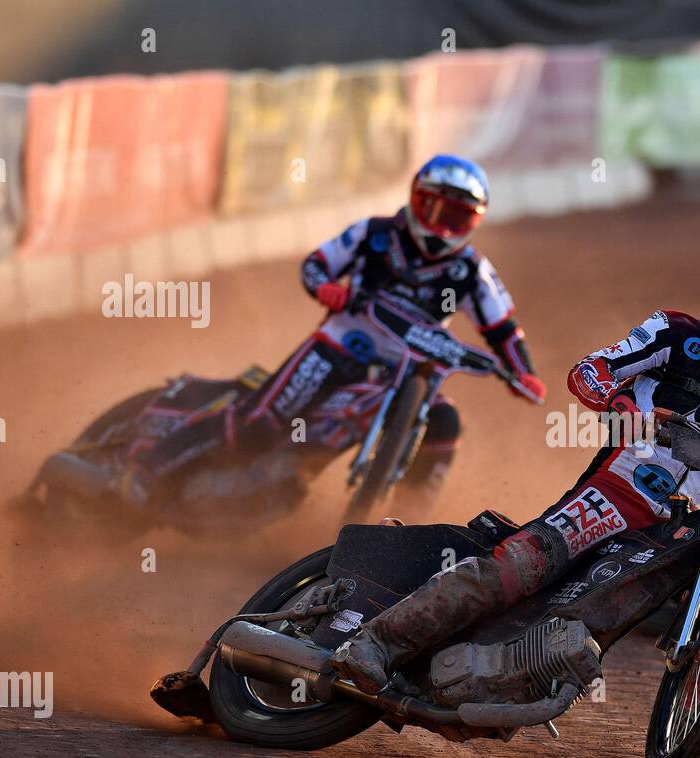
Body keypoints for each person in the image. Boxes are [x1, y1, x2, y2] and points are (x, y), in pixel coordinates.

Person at [333, 253, 700, 758]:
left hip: (692, 535)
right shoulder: (677, 334)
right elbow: (590, 371)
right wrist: (621, 405)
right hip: (621, 491)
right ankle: (376, 642)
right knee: (521, 567)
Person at [121, 154, 544, 505]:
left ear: (474, 221)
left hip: (406, 371)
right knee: (261, 421)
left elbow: (503, 328)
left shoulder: (471, 270)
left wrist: (522, 373)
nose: (439, 226)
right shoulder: (373, 234)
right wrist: (327, 290)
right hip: (339, 346)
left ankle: (409, 526)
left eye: (456, 217)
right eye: (432, 208)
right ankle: (149, 469)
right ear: (414, 198)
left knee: (446, 420)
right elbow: (316, 264)